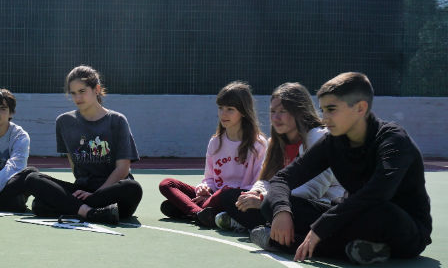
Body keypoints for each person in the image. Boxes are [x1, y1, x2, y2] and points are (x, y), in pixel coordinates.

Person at [255, 72, 432, 265]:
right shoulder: (333, 141)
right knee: (269, 205)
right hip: (348, 218)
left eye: (332, 110)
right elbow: (282, 179)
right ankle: (358, 250)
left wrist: (321, 228)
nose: (325, 118)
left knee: (379, 213)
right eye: (323, 110)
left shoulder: (393, 140)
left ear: (360, 108)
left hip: (401, 227)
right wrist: (281, 211)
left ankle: (292, 244)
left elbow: (377, 194)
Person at [212, 82, 343, 233]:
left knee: (278, 207)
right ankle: (266, 229)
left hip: (320, 207)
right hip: (282, 204)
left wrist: (263, 201)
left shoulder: (320, 138)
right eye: (273, 111)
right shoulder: (275, 143)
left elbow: (311, 191)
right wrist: (255, 193)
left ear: (300, 112)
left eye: (283, 111)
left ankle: (258, 228)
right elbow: (266, 180)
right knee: (230, 197)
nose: (276, 117)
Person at [24, 66, 142, 224]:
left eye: (82, 91)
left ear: (97, 89)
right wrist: (83, 192)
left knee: (133, 188)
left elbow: (123, 168)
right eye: (73, 93)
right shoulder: (64, 122)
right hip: (82, 190)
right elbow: (74, 165)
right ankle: (91, 213)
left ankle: (72, 207)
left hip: (112, 191)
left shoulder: (117, 120)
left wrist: (96, 193)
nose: (77, 98)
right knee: (32, 179)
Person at [158, 81, 266, 224]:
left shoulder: (258, 144)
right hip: (214, 195)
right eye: (220, 108)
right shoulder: (215, 142)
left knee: (220, 195)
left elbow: (260, 183)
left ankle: (191, 210)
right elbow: (210, 178)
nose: (223, 114)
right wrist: (205, 188)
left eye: (230, 109)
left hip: (240, 197)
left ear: (244, 112)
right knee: (167, 184)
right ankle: (199, 214)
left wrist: (219, 195)